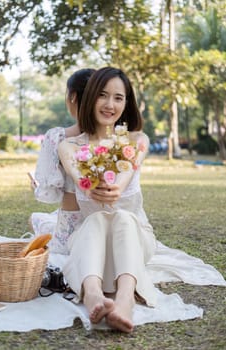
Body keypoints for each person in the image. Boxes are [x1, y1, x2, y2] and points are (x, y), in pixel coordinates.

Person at [58, 66, 157, 333]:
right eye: (103, 95)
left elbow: (126, 171)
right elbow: (78, 174)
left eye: (118, 97)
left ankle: (125, 299)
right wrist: (87, 186)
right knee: (97, 218)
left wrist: (116, 186)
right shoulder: (70, 146)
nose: (110, 104)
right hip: (91, 246)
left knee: (122, 216)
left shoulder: (136, 140)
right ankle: (92, 294)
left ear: (127, 103)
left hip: (134, 240)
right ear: (90, 97)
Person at [30, 68, 96, 253]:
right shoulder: (112, 140)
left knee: (35, 218)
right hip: (103, 227)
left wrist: (36, 187)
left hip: (69, 231)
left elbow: (50, 194)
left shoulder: (58, 137)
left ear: (73, 96)